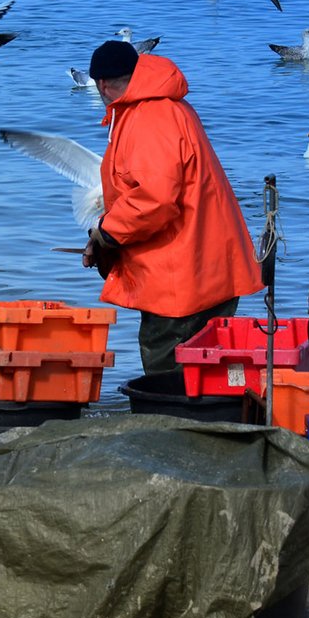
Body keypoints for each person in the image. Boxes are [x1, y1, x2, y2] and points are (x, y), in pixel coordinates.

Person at [81, 40, 263, 375]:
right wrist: (107, 233)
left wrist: (106, 233)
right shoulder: (166, 106)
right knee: (205, 373)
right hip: (204, 264)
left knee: (169, 372)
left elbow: (155, 198)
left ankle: (179, 424)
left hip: (183, 276)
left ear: (102, 85)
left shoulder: (149, 117)